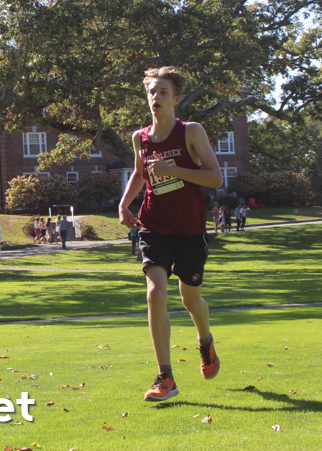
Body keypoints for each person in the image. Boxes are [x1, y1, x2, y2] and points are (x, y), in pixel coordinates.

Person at [118, 66, 224, 402]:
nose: (156, 97)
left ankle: (205, 341)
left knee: (191, 300)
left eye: (163, 92)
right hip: (154, 227)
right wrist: (124, 204)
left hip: (190, 229)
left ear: (175, 99)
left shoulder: (191, 131)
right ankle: (165, 377)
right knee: (155, 293)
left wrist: (173, 169)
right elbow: (140, 174)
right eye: (152, 91)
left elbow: (215, 178)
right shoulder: (140, 138)